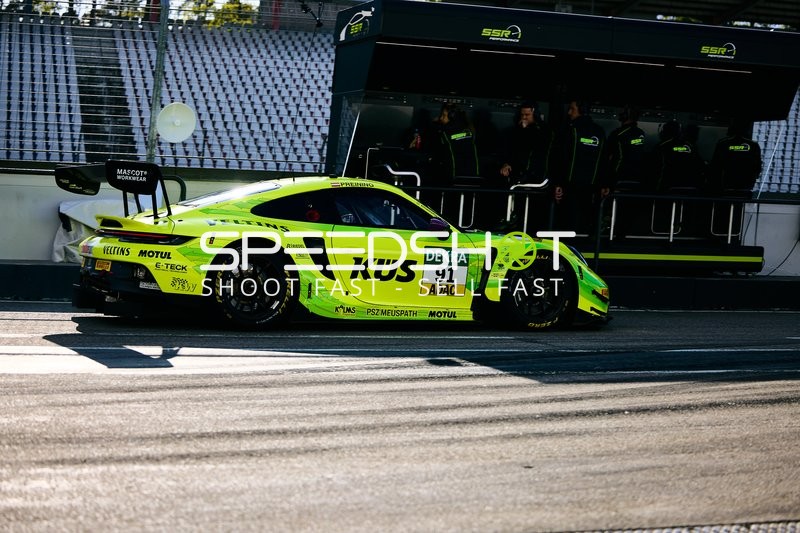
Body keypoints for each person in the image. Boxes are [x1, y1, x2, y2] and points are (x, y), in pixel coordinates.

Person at [496, 101, 554, 231]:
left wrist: (525, 130)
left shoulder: (543, 130)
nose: (524, 118)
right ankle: (509, 221)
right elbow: (511, 150)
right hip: (518, 173)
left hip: (535, 175)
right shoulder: (515, 130)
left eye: (527, 115)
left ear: (535, 114)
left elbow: (534, 147)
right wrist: (506, 163)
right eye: (522, 114)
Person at [551, 99, 606, 235]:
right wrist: (604, 184)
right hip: (591, 187)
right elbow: (604, 160)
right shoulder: (599, 131)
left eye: (572, 109)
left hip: (570, 186)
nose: (569, 112)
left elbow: (560, 157)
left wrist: (557, 183)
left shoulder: (568, 130)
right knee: (584, 222)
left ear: (581, 110)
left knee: (566, 224)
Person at [645, 120, 707, 236]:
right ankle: (685, 230)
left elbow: (654, 169)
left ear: (664, 132)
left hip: (669, 188)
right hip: (691, 189)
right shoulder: (690, 146)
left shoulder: (662, 146)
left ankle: (664, 229)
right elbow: (701, 167)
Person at [707, 119, 762, 242]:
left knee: (722, 214)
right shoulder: (754, 145)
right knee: (737, 215)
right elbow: (757, 167)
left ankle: (719, 238)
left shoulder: (723, 143)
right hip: (744, 189)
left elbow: (715, 166)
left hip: (725, 188)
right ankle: (733, 238)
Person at [426, 103, 481, 222]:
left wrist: (434, 124)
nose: (441, 118)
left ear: (452, 117)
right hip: (472, 177)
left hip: (452, 178)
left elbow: (435, 149)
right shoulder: (469, 130)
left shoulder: (445, 132)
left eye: (444, 115)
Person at [600, 105, 647, 238]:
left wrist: (606, 182)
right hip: (637, 180)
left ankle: (606, 233)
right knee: (628, 210)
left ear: (625, 116)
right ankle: (621, 236)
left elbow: (609, 159)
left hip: (619, 179)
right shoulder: (641, 133)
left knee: (612, 208)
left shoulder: (617, 134)